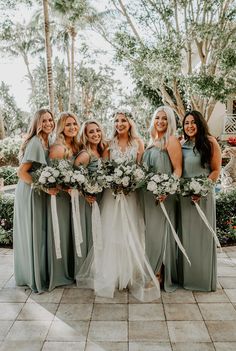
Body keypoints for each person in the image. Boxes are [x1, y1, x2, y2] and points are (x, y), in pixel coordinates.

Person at [77, 111, 160, 302]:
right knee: (111, 232)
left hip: (130, 196)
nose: (119, 124)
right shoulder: (108, 144)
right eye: (116, 121)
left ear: (130, 123)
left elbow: (140, 170)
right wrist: (115, 183)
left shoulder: (138, 143)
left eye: (123, 120)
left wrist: (130, 183)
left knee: (130, 232)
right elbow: (105, 169)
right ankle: (111, 275)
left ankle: (129, 275)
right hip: (111, 196)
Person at [13, 108, 56, 293]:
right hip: (29, 191)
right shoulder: (35, 143)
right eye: (43, 121)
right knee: (33, 233)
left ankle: (39, 273)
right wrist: (44, 187)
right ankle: (34, 278)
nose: (48, 123)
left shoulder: (48, 141)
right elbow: (21, 172)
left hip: (38, 190)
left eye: (50, 120)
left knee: (39, 233)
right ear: (37, 124)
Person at [179, 110, 221, 291]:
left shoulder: (210, 142)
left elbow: (216, 171)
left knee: (202, 238)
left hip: (202, 197)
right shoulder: (182, 144)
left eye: (193, 122)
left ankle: (203, 280)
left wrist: (202, 190)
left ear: (200, 123)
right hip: (184, 198)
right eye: (186, 123)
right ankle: (186, 278)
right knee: (186, 238)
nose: (189, 126)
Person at [142, 106, 182, 292]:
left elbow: (178, 170)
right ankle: (152, 270)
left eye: (164, 118)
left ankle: (159, 274)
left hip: (164, 196)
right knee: (151, 234)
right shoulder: (151, 141)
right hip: (149, 197)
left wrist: (167, 189)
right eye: (157, 117)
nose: (160, 121)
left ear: (170, 122)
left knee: (160, 234)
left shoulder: (171, 140)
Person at [48, 111, 80, 290]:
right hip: (60, 198)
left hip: (72, 198)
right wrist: (65, 188)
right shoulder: (58, 148)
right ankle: (60, 273)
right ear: (61, 127)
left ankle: (72, 270)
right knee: (60, 232)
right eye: (68, 124)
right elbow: (51, 177)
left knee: (71, 233)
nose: (72, 127)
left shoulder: (75, 146)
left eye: (74, 123)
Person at [73, 119, 107, 276]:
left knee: (99, 233)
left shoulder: (101, 151)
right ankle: (86, 271)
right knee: (89, 233)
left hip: (101, 198)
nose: (96, 134)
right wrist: (85, 194)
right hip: (88, 200)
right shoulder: (85, 154)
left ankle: (98, 267)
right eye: (91, 132)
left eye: (97, 130)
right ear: (85, 135)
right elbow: (73, 178)